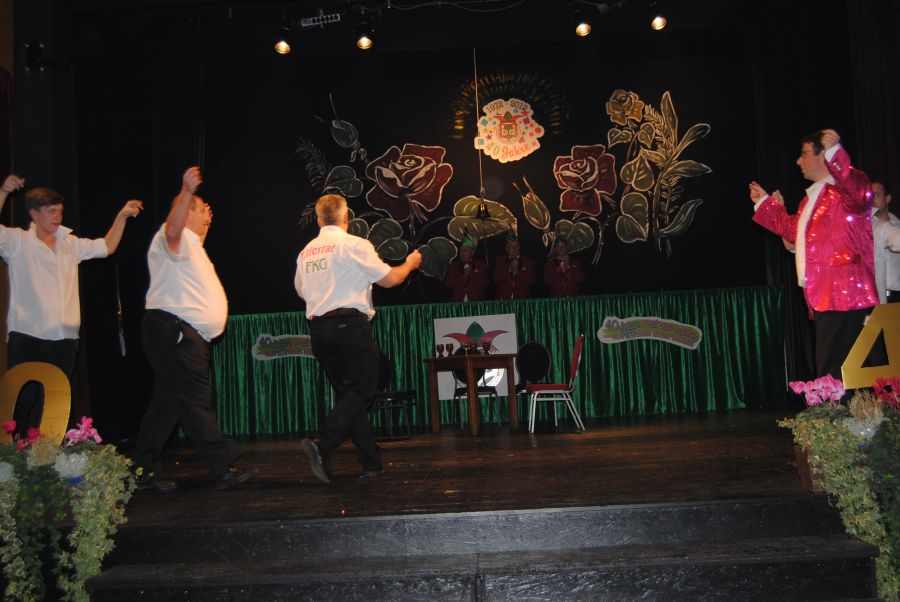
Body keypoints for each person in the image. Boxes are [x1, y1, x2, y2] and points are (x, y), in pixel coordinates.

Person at [132, 166, 254, 492]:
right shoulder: (169, 238)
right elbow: (175, 230)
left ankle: (143, 471)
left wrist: (202, 222)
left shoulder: (191, 246)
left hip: (174, 331)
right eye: (202, 213)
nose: (207, 219)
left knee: (166, 404)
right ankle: (221, 465)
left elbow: (189, 238)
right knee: (196, 399)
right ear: (186, 213)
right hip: (174, 330)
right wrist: (187, 193)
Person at [0, 174, 143, 435]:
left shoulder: (70, 243)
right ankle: (14, 454)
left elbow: (107, 246)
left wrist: (122, 216)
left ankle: (45, 454)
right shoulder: (17, 241)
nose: (57, 216)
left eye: (60, 211)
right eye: (51, 211)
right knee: (23, 400)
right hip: (27, 335)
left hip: (64, 338)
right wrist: (3, 193)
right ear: (34, 214)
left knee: (52, 403)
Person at [295, 194, 421, 483]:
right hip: (349, 327)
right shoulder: (353, 245)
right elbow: (390, 279)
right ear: (346, 218)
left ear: (318, 220)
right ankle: (322, 443)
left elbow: (302, 291)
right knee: (364, 389)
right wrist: (410, 263)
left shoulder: (306, 253)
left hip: (320, 331)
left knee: (350, 397)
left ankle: (371, 462)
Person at [749, 129, 878, 380]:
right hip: (824, 293)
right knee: (843, 365)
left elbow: (859, 194)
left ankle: (832, 403)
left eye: (804, 154)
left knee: (834, 365)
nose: (799, 161)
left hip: (843, 291)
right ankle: (843, 403)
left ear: (822, 156)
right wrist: (765, 203)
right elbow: (792, 231)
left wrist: (835, 153)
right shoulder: (811, 199)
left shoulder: (846, 189)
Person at [871, 182, 900, 303]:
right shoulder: (862, 228)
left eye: (876, 195)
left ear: (887, 199)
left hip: (897, 296)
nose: (871, 199)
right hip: (874, 297)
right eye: (869, 196)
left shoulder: (897, 225)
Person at [444, 237, 489, 301]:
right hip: (458, 302)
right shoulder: (454, 266)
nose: (462, 253)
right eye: (461, 250)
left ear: (472, 252)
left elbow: (485, 282)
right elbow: (448, 283)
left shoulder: (480, 265)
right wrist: (464, 276)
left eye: (465, 250)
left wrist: (472, 274)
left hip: (475, 302)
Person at [493, 233, 536, 299]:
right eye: (511, 246)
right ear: (506, 248)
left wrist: (518, 271)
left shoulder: (527, 261)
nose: (514, 248)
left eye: (516, 246)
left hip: (522, 301)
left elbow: (532, 280)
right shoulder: (500, 261)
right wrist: (509, 269)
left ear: (519, 247)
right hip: (503, 300)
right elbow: (496, 278)